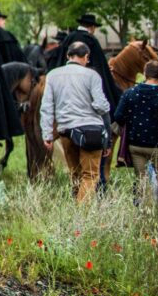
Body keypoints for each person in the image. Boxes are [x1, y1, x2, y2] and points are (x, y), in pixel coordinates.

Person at [41, 42, 112, 202]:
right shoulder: (92, 75)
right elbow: (101, 106)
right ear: (86, 57)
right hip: (91, 131)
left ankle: (75, 205)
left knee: (75, 173)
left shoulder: (52, 75)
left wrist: (47, 134)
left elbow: (46, 107)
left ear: (68, 56)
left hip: (66, 131)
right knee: (90, 175)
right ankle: (81, 214)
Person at [113, 61, 158, 211]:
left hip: (135, 145)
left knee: (140, 179)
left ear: (144, 74)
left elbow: (118, 116)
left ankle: (140, 210)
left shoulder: (130, 93)